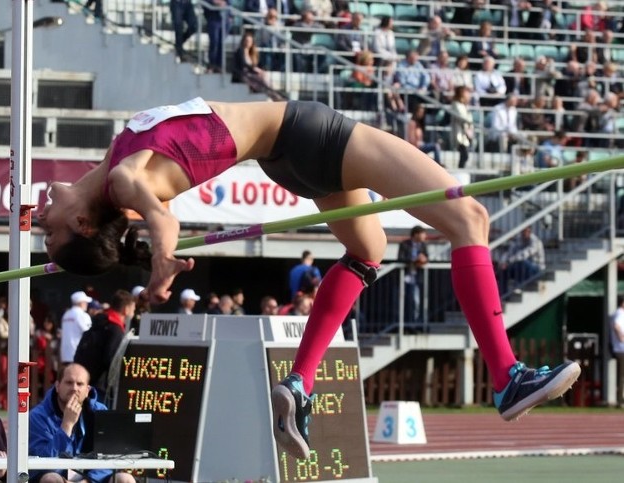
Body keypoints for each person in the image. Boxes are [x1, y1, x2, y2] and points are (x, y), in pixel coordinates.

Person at [38, 97, 581, 460]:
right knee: (470, 219)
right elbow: (162, 219)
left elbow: (108, 224)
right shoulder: (124, 180)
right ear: (83, 224)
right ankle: (507, 376)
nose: (42, 220)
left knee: (369, 251)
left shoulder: (107, 183)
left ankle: (297, 381)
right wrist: (160, 264)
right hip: (303, 132)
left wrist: (55, 222)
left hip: (287, 158)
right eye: (49, 235)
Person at [28, 363, 136, 483]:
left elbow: (111, 459)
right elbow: (41, 464)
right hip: (59, 476)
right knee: (51, 479)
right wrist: (66, 426)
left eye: (80, 384)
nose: (74, 388)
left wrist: (88, 481)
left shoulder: (100, 412)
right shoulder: (38, 416)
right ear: (57, 386)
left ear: (87, 390)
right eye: (69, 382)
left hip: (91, 479)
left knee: (125, 479)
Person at [73, 290, 135, 394]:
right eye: (133, 309)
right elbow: (112, 361)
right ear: (126, 309)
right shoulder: (115, 330)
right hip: (98, 388)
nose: (133, 313)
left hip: (83, 380)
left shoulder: (99, 322)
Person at [498, 226, 546, 294]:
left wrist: (508, 262)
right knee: (504, 269)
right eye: (522, 231)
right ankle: (503, 295)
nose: (523, 233)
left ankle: (518, 287)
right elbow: (509, 253)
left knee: (521, 262)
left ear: (530, 232)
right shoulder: (519, 240)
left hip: (537, 270)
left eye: (525, 231)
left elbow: (523, 255)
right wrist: (503, 262)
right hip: (523, 269)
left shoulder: (536, 242)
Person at [397, 226, 429, 324]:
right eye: (423, 233)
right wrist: (414, 260)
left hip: (418, 277)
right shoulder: (404, 244)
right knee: (406, 302)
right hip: (406, 277)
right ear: (416, 234)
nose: (425, 236)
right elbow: (400, 258)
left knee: (417, 301)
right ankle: (407, 324)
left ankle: (416, 323)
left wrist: (424, 259)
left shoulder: (423, 245)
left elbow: (427, 257)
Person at [60, 291, 93, 365]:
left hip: (65, 356)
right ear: (81, 303)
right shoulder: (83, 315)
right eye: (85, 302)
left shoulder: (66, 315)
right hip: (78, 355)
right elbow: (89, 334)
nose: (87, 304)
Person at [611, 297, 624, 409]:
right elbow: (616, 326)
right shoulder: (620, 313)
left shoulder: (617, 313)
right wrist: (622, 338)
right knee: (622, 376)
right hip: (621, 349)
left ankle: (621, 400)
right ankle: (621, 401)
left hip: (619, 348)